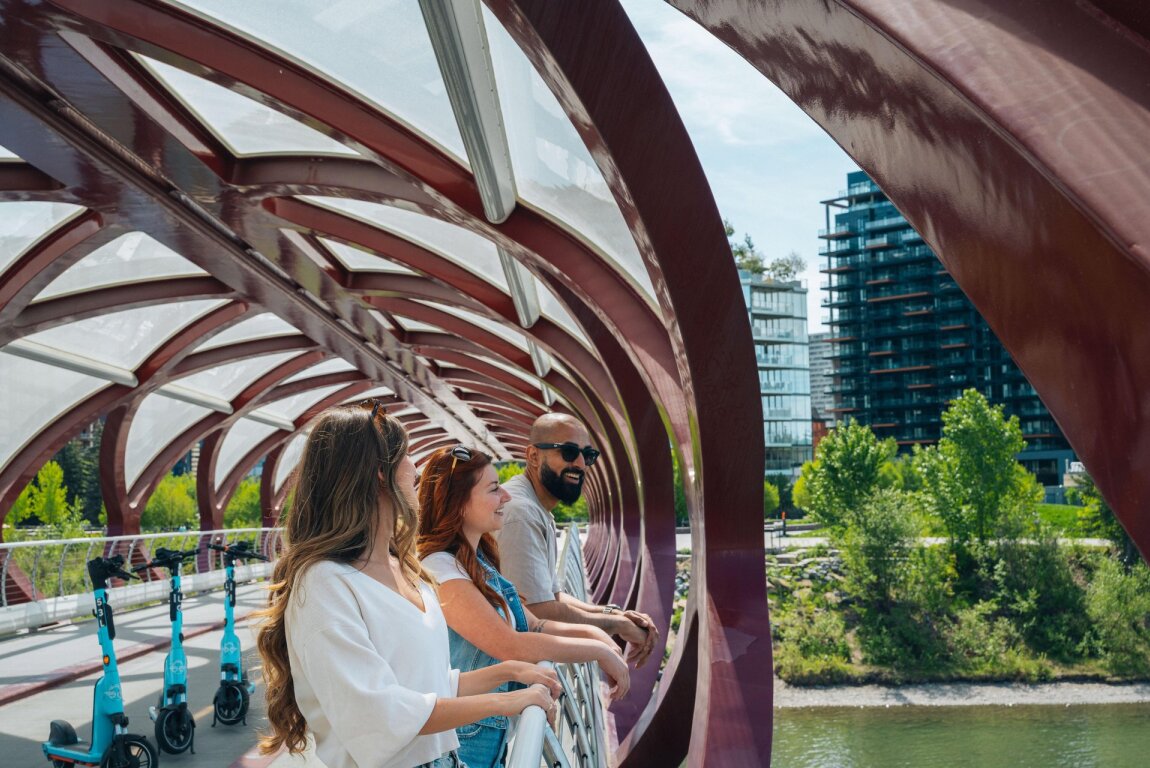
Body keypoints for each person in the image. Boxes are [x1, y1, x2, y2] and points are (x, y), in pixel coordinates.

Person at [255, 403, 557, 768]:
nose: (416, 466)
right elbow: (378, 713)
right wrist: (506, 701)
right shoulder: (322, 583)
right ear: (379, 474)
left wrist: (510, 672)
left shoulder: (405, 568)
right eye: (407, 454)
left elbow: (424, 686)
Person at [417, 445, 630, 768]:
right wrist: (598, 652)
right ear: (458, 504)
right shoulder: (442, 570)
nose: (506, 496)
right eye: (493, 488)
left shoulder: (477, 562)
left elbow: (534, 625)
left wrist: (596, 634)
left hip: (485, 732)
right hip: (463, 745)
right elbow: (509, 644)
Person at [495, 413, 659, 666]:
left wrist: (613, 614)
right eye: (569, 452)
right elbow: (536, 612)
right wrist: (616, 625)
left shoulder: (536, 508)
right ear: (533, 456)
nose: (581, 464)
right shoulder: (521, 512)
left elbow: (553, 597)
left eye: (588, 455)